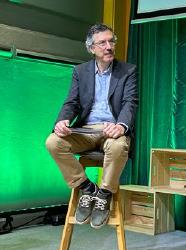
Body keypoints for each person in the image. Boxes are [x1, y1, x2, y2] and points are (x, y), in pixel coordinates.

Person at [45, 23, 138, 229]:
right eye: (102, 43)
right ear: (91, 48)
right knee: (53, 142)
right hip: (85, 130)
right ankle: (86, 187)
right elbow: (72, 102)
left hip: (111, 131)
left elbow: (130, 102)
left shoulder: (128, 71)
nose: (108, 46)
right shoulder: (80, 71)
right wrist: (62, 121)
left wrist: (121, 126)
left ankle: (104, 194)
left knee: (117, 146)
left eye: (111, 41)